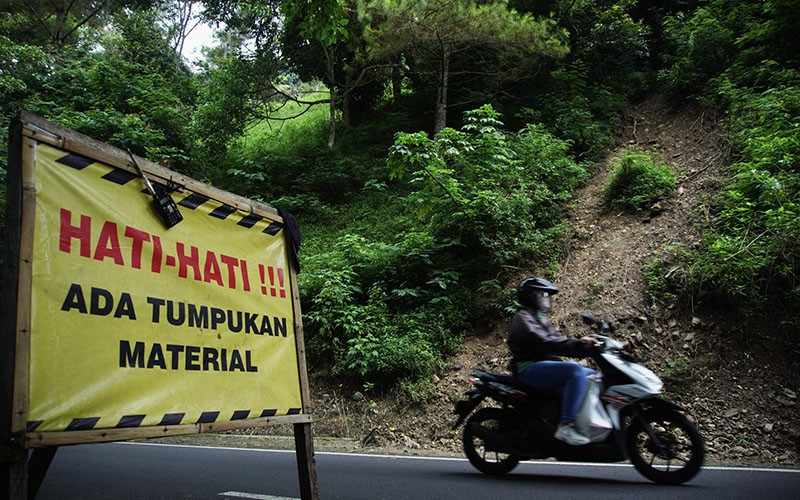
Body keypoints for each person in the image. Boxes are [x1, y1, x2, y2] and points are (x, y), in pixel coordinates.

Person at [507, 277, 599, 446]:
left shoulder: (539, 318)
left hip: (544, 365)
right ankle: (566, 425)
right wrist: (579, 345)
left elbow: (557, 338)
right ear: (531, 297)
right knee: (575, 372)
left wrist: (584, 346)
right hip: (529, 367)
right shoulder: (524, 318)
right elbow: (547, 342)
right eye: (542, 295)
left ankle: (584, 421)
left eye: (547, 296)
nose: (546, 299)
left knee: (593, 376)